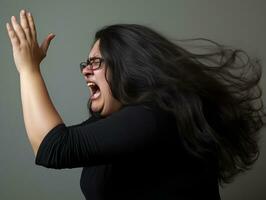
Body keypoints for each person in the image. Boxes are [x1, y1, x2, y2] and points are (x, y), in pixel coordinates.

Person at [6, 9, 266, 200]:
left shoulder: (155, 117)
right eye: (86, 64)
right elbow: (52, 142)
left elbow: (52, 147)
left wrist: (29, 70)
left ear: (128, 68)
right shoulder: (114, 120)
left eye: (95, 62)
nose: (86, 71)